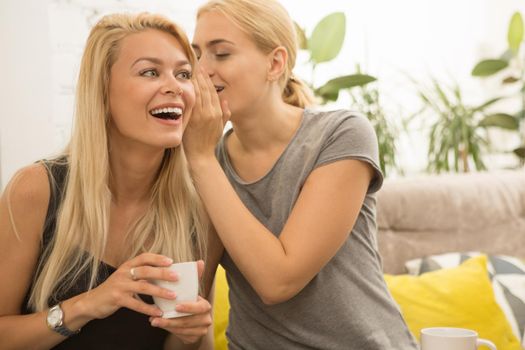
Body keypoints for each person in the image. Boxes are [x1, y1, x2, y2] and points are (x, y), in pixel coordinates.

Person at [185, 0, 420, 349]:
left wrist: (202, 161)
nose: (201, 70)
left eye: (221, 54)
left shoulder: (341, 134)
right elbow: (195, 302)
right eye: (197, 55)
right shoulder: (207, 162)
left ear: (275, 63)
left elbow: (278, 281)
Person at [0, 12, 221, 349]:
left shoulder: (199, 206)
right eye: (150, 72)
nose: (174, 87)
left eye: (184, 74)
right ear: (102, 91)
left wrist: (191, 332)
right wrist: (87, 305)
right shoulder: (35, 189)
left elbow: (187, 344)